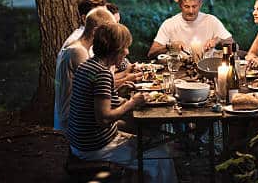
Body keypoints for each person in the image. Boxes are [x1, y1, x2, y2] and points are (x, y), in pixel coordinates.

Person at [67, 23, 177, 183]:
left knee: (156, 145)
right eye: (125, 48)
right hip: (95, 146)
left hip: (82, 141)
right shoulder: (102, 73)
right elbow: (103, 118)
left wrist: (120, 95)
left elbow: (96, 102)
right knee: (161, 157)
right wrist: (132, 102)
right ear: (115, 49)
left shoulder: (88, 66)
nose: (127, 52)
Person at [53, 6, 116, 132]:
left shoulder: (81, 48)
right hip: (71, 117)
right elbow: (95, 83)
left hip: (76, 113)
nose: (110, 36)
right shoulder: (78, 51)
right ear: (95, 31)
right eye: (108, 32)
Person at [147, 0, 233, 60]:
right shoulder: (169, 24)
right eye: (187, 6)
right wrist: (170, 46)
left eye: (194, 6)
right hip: (178, 70)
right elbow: (151, 53)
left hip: (206, 67)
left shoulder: (211, 20)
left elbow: (233, 46)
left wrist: (218, 40)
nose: (191, 11)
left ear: (200, 4)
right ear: (180, 5)